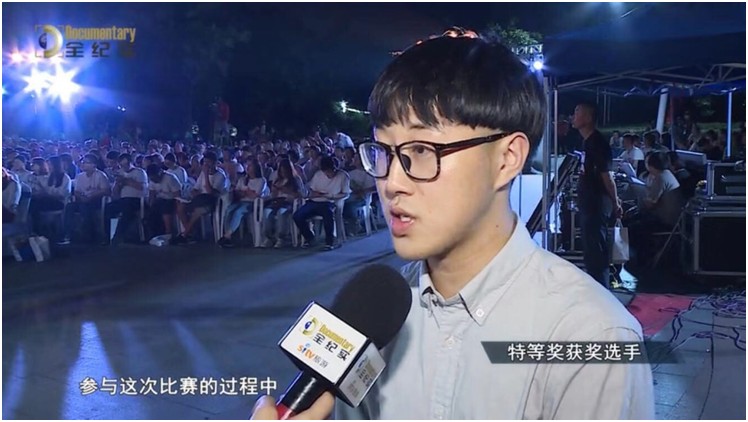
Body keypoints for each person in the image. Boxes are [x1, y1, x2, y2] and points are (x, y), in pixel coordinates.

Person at [251, 33, 653, 420]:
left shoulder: (593, 336)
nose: (391, 181)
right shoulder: (377, 314)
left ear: (507, 158)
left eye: (421, 150)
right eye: (383, 151)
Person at [572, 102, 622, 288]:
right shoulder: (586, 142)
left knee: (596, 251)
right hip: (588, 202)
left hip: (596, 203)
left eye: (577, 112)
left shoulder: (598, 143)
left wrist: (615, 202)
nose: (573, 117)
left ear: (588, 117)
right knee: (591, 249)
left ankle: (602, 290)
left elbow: (606, 175)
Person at [292, 155, 350, 250]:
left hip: (329, 202)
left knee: (328, 214)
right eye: (326, 172)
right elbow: (312, 189)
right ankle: (310, 238)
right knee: (297, 216)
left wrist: (331, 196)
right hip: (315, 201)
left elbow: (345, 193)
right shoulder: (318, 175)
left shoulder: (343, 176)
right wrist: (314, 194)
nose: (328, 174)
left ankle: (329, 242)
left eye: (330, 171)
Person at [173, 151, 229, 244]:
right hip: (199, 199)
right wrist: (194, 193)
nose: (206, 165)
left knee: (198, 211)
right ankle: (190, 233)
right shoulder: (202, 174)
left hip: (211, 202)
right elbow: (196, 188)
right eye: (205, 162)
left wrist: (206, 175)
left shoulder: (220, 176)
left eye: (208, 162)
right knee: (180, 207)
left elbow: (210, 192)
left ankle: (185, 234)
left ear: (214, 163)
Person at [218, 158, 268, 248]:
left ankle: (227, 235)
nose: (247, 167)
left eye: (250, 165)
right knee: (229, 210)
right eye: (246, 165)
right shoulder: (242, 179)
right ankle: (228, 235)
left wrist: (245, 192)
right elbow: (237, 192)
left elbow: (255, 195)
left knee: (239, 211)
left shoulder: (261, 180)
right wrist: (247, 192)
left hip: (252, 203)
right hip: (241, 201)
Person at [63, 153, 111, 243]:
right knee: (69, 207)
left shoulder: (100, 175)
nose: (83, 164)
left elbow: (106, 190)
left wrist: (92, 196)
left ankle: (88, 235)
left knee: (85, 207)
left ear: (94, 165)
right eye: (83, 162)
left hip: (96, 200)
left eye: (86, 162)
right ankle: (68, 233)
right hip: (82, 199)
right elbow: (76, 191)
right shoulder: (80, 176)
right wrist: (82, 197)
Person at [105, 153, 148, 244]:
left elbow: (142, 188)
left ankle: (118, 236)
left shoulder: (139, 172)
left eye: (126, 164)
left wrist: (125, 181)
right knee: (107, 208)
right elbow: (115, 193)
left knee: (127, 209)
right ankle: (106, 236)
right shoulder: (120, 173)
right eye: (122, 165)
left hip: (136, 200)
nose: (124, 167)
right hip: (123, 200)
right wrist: (117, 183)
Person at [261, 158, 304, 248]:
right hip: (276, 201)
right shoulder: (277, 180)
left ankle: (281, 237)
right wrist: (274, 192)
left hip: (288, 202)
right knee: (266, 212)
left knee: (281, 212)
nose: (283, 172)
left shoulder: (295, 180)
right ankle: (269, 237)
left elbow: (301, 194)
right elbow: (272, 194)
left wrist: (287, 191)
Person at [28, 156, 72, 239]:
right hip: (48, 200)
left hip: (59, 202)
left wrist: (47, 193)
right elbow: (43, 187)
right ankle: (36, 231)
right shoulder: (49, 177)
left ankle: (37, 231)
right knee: (33, 202)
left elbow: (62, 194)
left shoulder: (65, 178)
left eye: (50, 164)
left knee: (35, 204)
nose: (48, 167)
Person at [146, 163, 181, 237]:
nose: (154, 180)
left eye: (155, 178)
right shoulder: (152, 181)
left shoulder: (170, 178)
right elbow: (152, 195)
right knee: (151, 212)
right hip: (160, 200)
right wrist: (151, 206)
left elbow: (177, 195)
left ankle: (168, 232)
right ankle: (154, 233)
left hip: (171, 199)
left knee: (165, 207)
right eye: (152, 179)